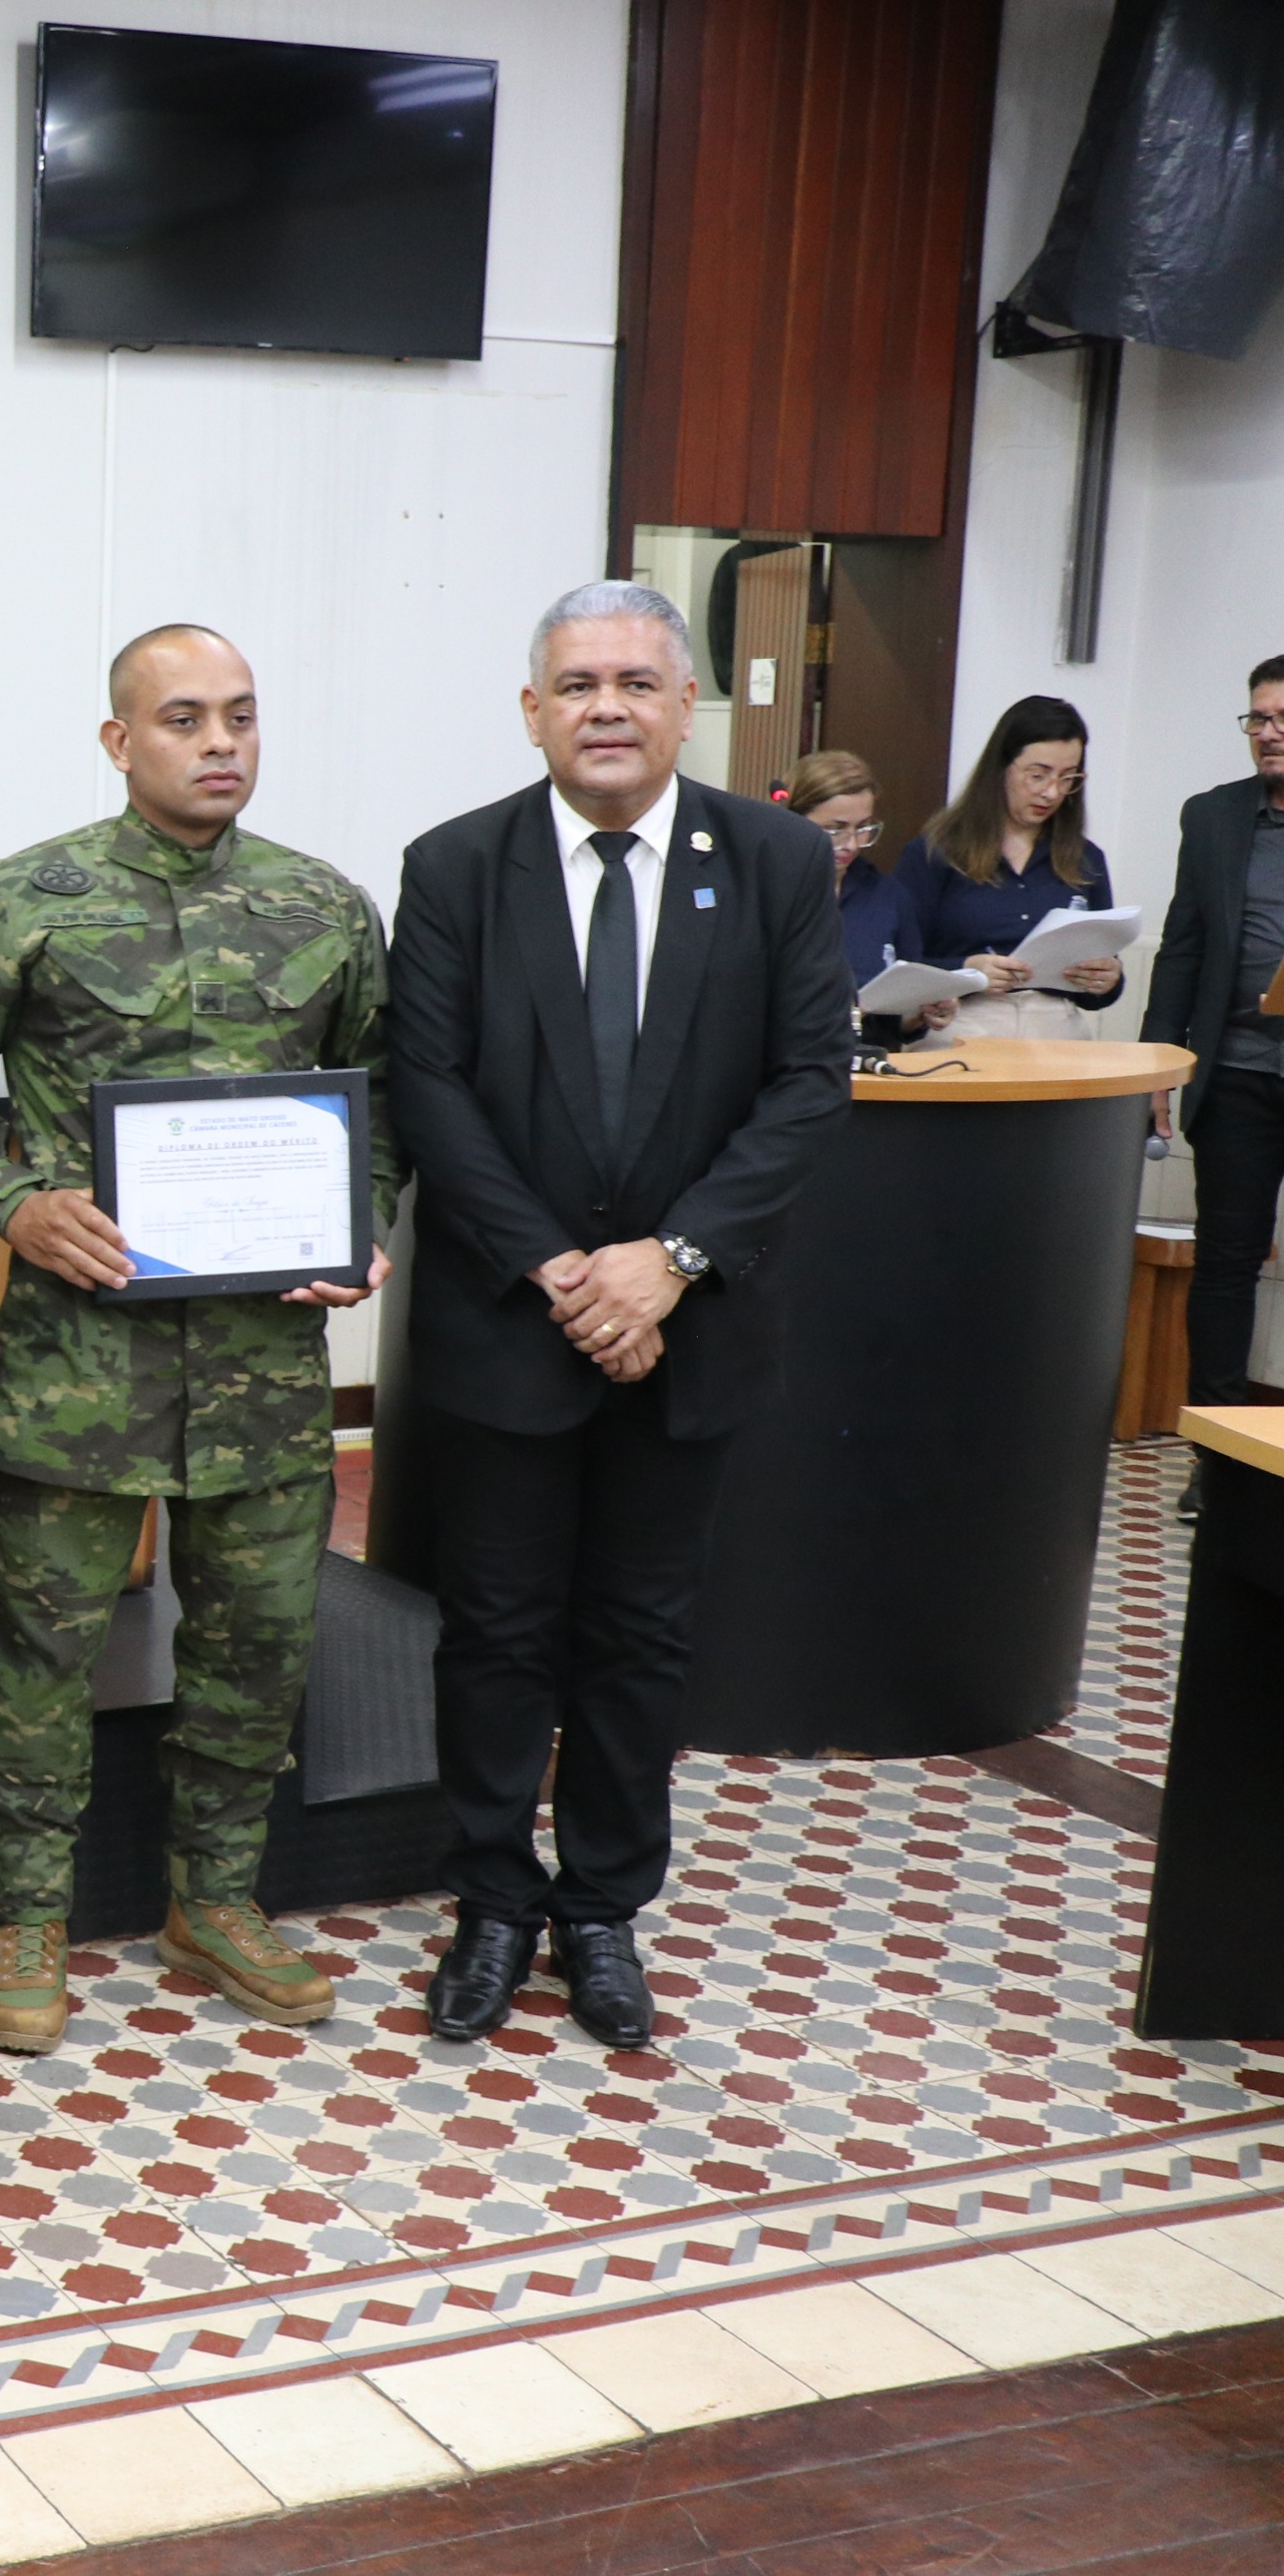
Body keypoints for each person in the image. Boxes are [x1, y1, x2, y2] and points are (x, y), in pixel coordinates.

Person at [0, 626, 393, 2055]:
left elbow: (386, 1089)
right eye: (184, 718)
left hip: (263, 1367)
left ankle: (217, 1898)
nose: (220, 742)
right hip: (80, 1363)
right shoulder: (17, 902)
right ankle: (30, 1919)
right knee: (42, 1654)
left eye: (241, 716)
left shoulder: (323, 908)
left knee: (257, 1645)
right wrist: (16, 1201)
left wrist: (365, 1217)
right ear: (120, 742)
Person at [388, 580, 850, 2050]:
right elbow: (433, 1092)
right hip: (511, 1322)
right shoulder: (456, 865)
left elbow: (807, 1080)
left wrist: (677, 1259)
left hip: (691, 1328)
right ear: (532, 711)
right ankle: (491, 1901)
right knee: (500, 1631)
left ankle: (600, 1911)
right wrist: (565, 1272)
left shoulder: (773, 859)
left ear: (685, 706)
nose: (606, 707)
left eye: (637, 683)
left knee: (643, 1634)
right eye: (577, 684)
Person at [1139, 652, 1284, 1517]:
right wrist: (1163, 1059)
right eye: (1259, 720)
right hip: (1234, 1075)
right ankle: (1219, 1452)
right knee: (1226, 1266)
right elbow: (1183, 944)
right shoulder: (1216, 818)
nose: (1270, 735)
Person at [892, 698, 1121, 1043]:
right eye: (1037, 775)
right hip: (962, 1024)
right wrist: (967, 970)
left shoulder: (1086, 859)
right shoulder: (936, 852)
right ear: (1001, 766)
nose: (1051, 792)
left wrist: (1108, 980)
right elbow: (900, 965)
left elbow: (1101, 982)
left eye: (1068, 778)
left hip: (1057, 1030)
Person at [789, 748, 956, 1049]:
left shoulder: (888, 896)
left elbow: (903, 1011)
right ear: (794, 820)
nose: (851, 844)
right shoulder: (768, 891)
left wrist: (922, 1013)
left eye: (863, 828)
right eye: (834, 830)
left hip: (875, 1067)